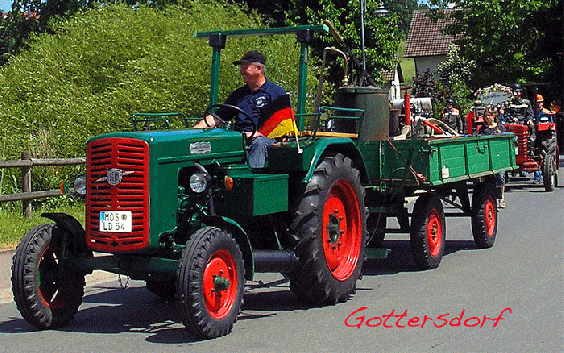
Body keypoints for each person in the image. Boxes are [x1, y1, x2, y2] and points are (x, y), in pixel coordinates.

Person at [194, 50, 287, 168]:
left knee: (260, 143)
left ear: (258, 69)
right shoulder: (238, 94)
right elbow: (217, 117)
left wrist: (259, 133)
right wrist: (194, 132)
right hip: (239, 138)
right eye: (241, 68)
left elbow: (284, 124)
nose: (241, 72)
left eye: (245, 68)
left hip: (267, 140)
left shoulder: (276, 93)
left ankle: (250, 179)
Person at [478, 106, 507, 208]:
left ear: (494, 116)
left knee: (500, 176)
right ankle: (488, 199)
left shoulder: (499, 127)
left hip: (498, 156)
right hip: (487, 156)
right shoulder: (483, 128)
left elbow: (505, 141)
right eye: (486, 116)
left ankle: (501, 198)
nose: (487, 118)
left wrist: (500, 134)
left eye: (489, 115)